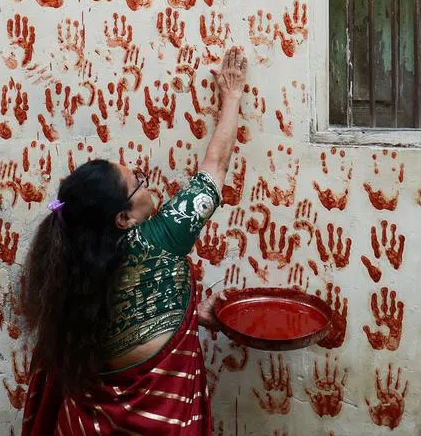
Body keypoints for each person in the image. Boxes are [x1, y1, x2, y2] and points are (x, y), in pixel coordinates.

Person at [19, 46, 249, 435]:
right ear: (123, 218)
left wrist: (189, 312)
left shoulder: (69, 272)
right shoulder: (160, 241)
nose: (147, 180)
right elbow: (215, 166)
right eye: (137, 182)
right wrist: (233, 95)